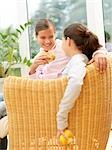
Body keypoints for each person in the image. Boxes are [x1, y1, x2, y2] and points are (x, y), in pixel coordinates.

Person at [0, 18, 108, 147]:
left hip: (48, 101)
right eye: (43, 37)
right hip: (40, 95)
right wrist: (34, 68)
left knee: (3, 109)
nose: (47, 41)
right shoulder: (39, 56)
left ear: (57, 35)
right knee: (2, 104)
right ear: (36, 37)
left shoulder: (66, 49)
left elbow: (87, 49)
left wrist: (99, 53)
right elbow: (34, 84)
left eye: (51, 36)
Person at [56, 23, 102, 137]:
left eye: (62, 40)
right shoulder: (80, 59)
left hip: (52, 109)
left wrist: (61, 118)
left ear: (68, 41)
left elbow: (75, 82)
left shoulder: (77, 61)